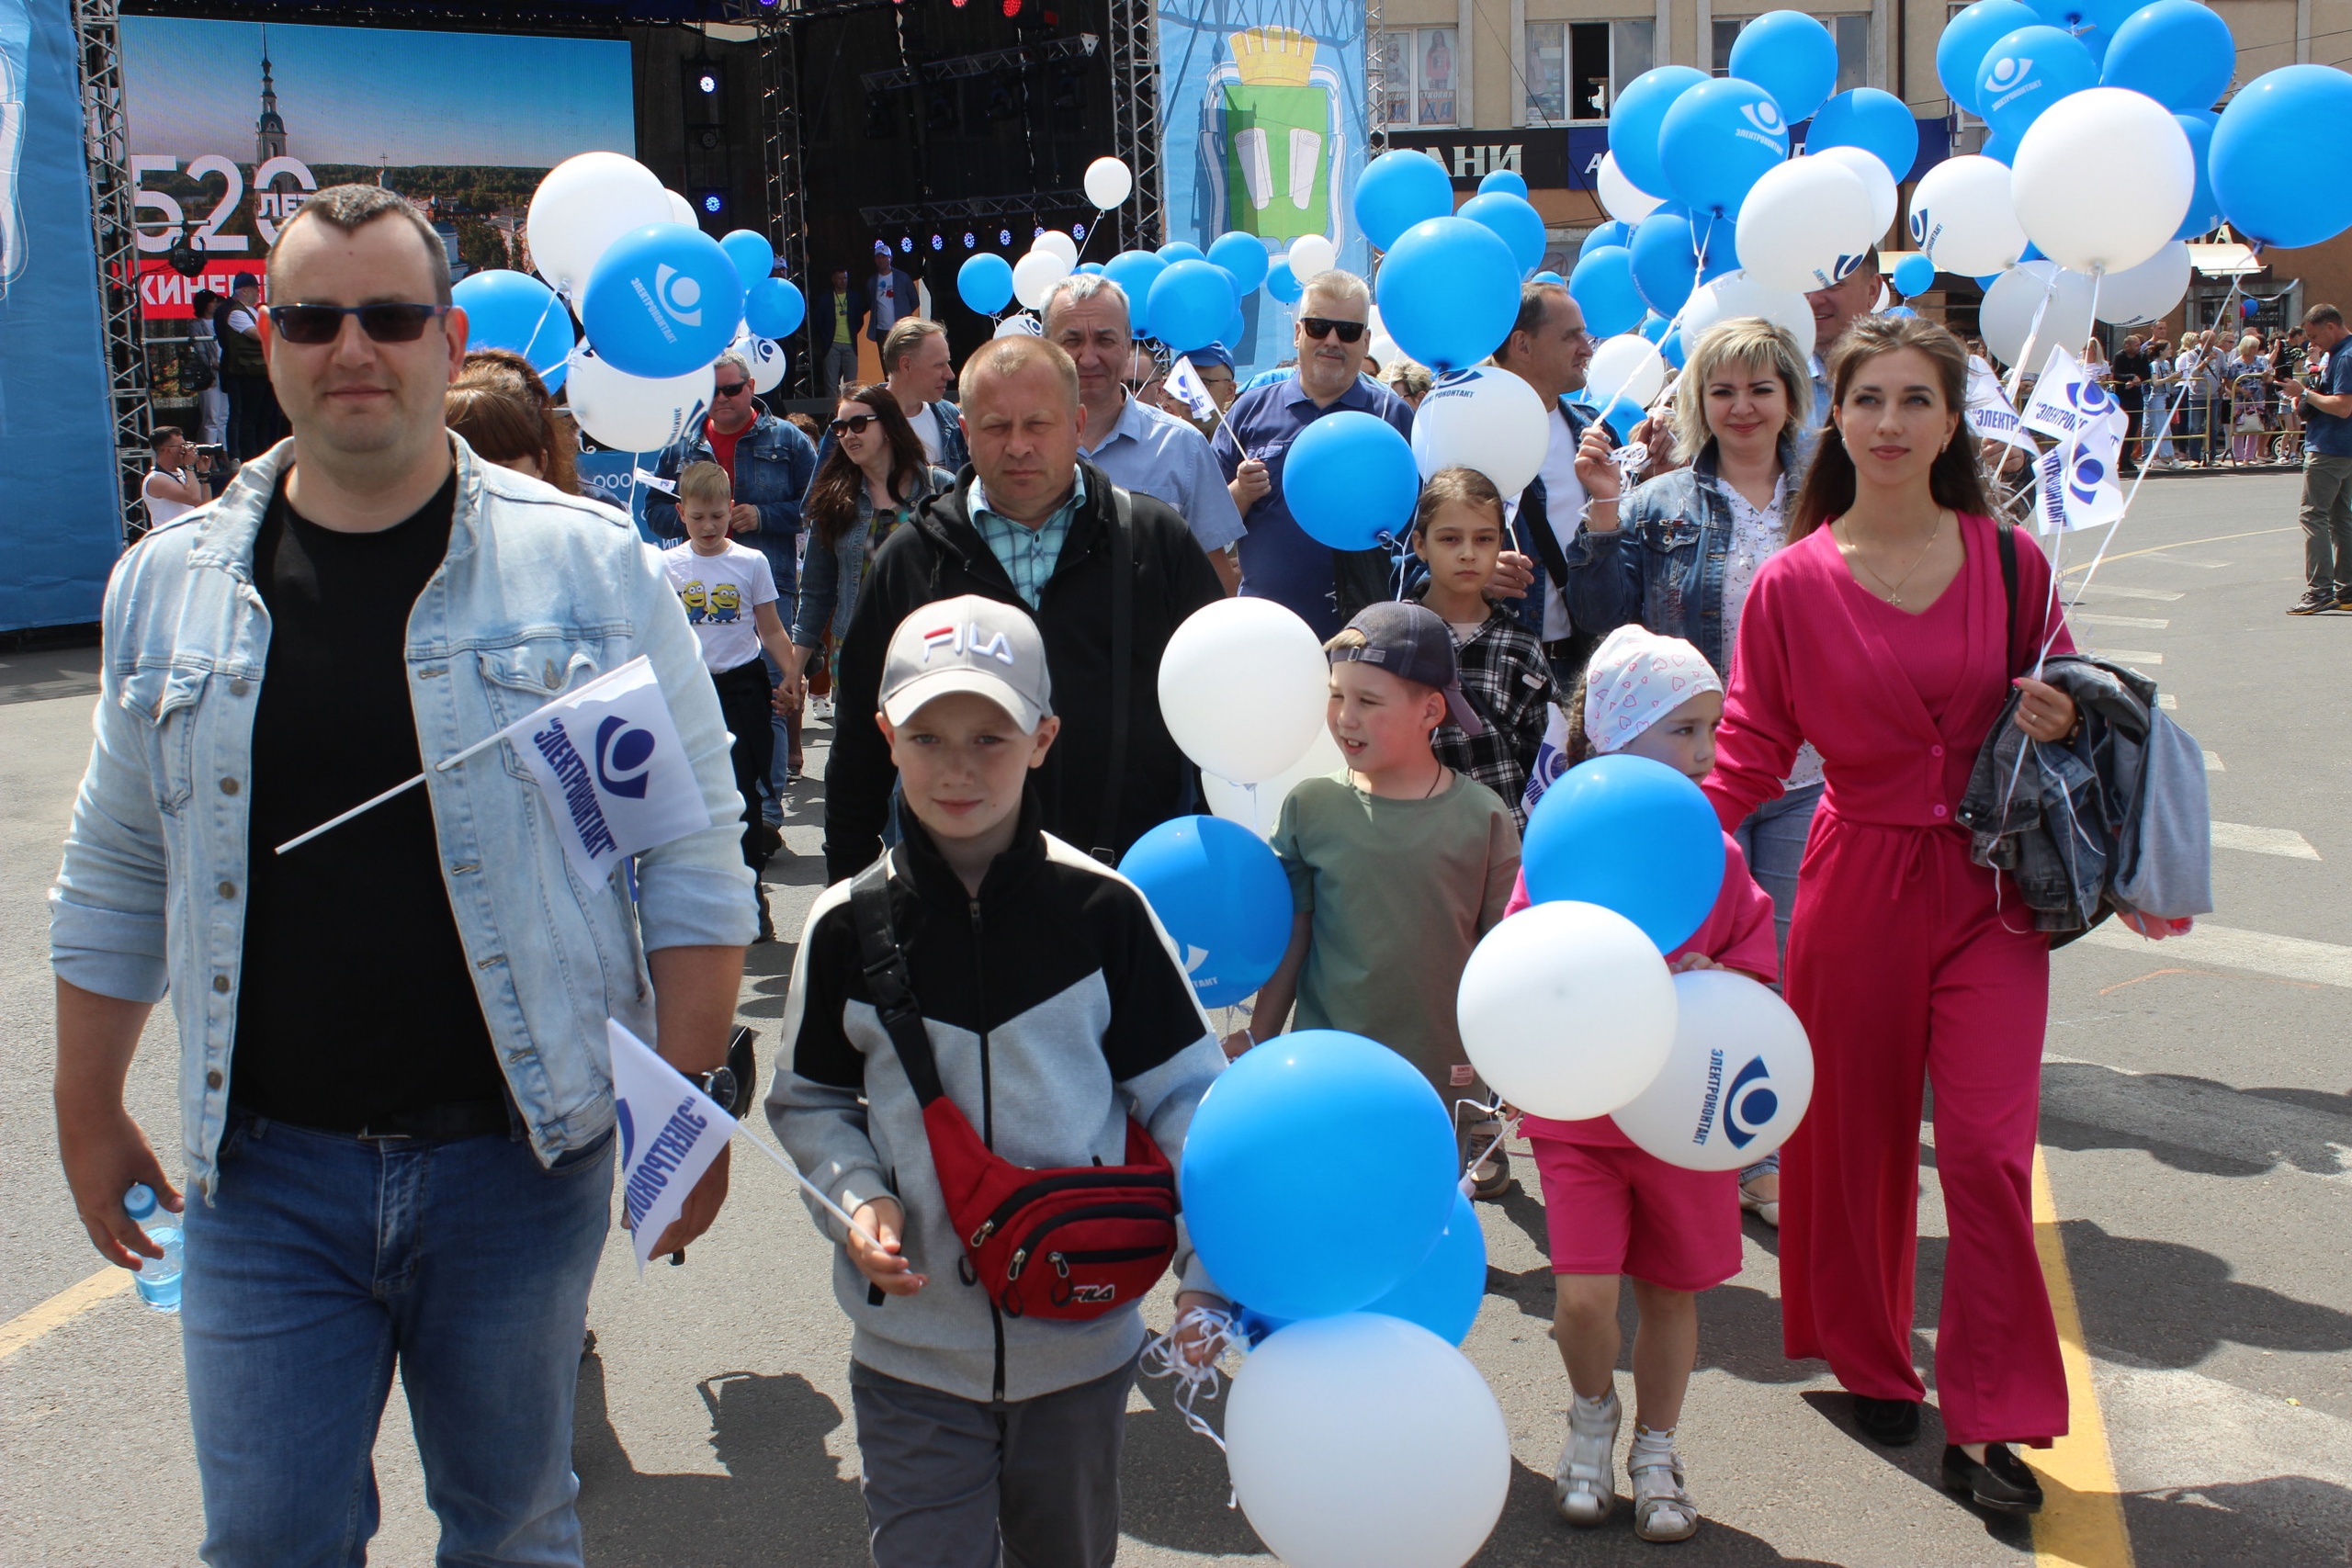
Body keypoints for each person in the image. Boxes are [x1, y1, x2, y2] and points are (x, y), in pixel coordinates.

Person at [50, 184, 750, 1566]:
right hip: (261, 1175)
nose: (351, 347)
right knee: (268, 1540)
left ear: (446, 336)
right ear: (269, 340)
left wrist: (682, 1111)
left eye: (388, 315)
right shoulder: (167, 586)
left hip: (515, 1161)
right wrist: (86, 1104)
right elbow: (118, 863)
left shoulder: (584, 573)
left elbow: (684, 849)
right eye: (315, 317)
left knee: (509, 1526)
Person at [1704, 314, 2106, 1515]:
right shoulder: (1790, 580)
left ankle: (1993, 1413)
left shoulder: (2010, 562)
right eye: (1867, 398)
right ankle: (1873, 1357)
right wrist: (1666, 861)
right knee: (1856, 1143)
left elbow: (2077, 687)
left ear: (1952, 422)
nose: (1888, 422)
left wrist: (2062, 711)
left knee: (1986, 1155)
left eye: (1914, 400)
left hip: (1992, 892)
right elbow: (1750, 746)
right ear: (1840, 416)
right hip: (1857, 879)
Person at [770, 594, 1227, 1568]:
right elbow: (809, 1103)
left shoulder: (1104, 913)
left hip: (1083, 1347)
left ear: (1044, 738)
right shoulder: (846, 927)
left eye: (991, 735)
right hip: (910, 1356)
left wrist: (1209, 1270)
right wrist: (858, 1202)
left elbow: (1190, 1100)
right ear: (886, 735)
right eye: (928, 735)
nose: (959, 766)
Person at [1506, 626, 1780, 1544]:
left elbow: (1760, 977)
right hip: (1578, 1111)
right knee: (1582, 1298)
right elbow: (1514, 965)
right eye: (1681, 730)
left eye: (1711, 729)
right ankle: (1591, 1418)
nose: (1705, 753)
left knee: (1670, 1292)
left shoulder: (1721, 858)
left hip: (1682, 1116)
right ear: (1613, 738)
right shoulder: (1564, 845)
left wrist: (1710, 976)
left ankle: (1657, 1450)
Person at [1563, 315, 1817, 1225]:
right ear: (1698, 402)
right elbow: (1597, 620)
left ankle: (1756, 1150)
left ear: (1789, 395)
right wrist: (1600, 505)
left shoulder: (1831, 500)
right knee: (1672, 951)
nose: (1741, 406)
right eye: (1722, 389)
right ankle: (1662, 1124)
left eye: (1759, 387)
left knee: (1770, 964)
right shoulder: (1657, 502)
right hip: (1687, 774)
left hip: (1806, 772)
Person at [822, 335, 1224, 879]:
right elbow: (859, 744)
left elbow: (1213, 715)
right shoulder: (910, 559)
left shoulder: (1155, 542)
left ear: (1078, 425)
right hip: (954, 902)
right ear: (965, 433)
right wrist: (849, 889)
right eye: (995, 426)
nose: (1017, 446)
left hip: (1133, 884)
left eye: (1038, 424)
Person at [1228, 601, 1522, 1198]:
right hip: (1328, 1059)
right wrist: (1260, 1034)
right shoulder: (1311, 807)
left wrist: (1516, 1064)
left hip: (1442, 1073)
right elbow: (1296, 935)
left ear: (1430, 710)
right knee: (1329, 1197)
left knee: (1420, 1208)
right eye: (1337, 695)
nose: (1344, 717)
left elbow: (1506, 953)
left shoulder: (1482, 817)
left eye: (1369, 700)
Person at [647, 347, 818, 789]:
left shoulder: (787, 439)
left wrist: (762, 516)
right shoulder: (682, 443)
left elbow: (816, 504)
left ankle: (767, 810)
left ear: (752, 388)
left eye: (732, 389)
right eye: (713, 390)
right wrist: (695, 522)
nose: (722, 398)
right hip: (696, 585)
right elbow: (655, 509)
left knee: (771, 694)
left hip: (767, 576)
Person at [1213, 269, 1415, 637]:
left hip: (1366, 635)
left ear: (1366, 341)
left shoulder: (1391, 416)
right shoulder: (1249, 411)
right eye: (1319, 327)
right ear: (1297, 334)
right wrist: (1241, 493)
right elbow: (1207, 525)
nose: (1332, 341)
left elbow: (1420, 527)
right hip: (1268, 632)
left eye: (1348, 331)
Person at [1045, 273, 1247, 592]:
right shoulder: (1021, 448)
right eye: (1072, 341)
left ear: (1127, 346)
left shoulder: (1183, 447)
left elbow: (1215, 581)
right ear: (1046, 348)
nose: (1089, 357)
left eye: (1104, 339)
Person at [663, 461, 797, 939]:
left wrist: (793, 676)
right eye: (698, 517)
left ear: (730, 511)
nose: (708, 527)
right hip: (690, 691)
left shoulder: (750, 562)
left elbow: (772, 628)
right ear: (681, 513)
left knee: (743, 796)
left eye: (717, 517)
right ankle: (702, 897)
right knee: (692, 801)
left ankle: (750, 892)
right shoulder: (666, 566)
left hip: (742, 688)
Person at [784, 386, 956, 710]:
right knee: (858, 758)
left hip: (929, 651)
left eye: (859, 424)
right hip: (855, 654)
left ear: (890, 425)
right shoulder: (833, 501)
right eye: (840, 428)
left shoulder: (940, 489)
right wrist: (795, 670)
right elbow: (816, 593)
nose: (848, 435)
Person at [1409, 466, 1555, 828]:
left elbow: (1550, 757)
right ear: (1419, 545)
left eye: (1484, 539)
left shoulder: (1521, 645)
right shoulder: (1394, 637)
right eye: (1450, 539)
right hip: (1417, 841)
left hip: (1508, 840)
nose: (1468, 553)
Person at [1490, 279, 1614, 688]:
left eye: (1585, 333)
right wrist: (1468, 573)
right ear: (1522, 345)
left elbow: (1626, 560)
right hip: (1497, 671)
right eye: (1571, 336)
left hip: (1585, 670)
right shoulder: (1464, 437)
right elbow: (1413, 562)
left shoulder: (1598, 434)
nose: (1587, 348)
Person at [2283, 303, 2352, 615]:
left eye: (2314, 336)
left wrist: (2305, 393)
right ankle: (2347, 588)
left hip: (2330, 446)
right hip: (2343, 447)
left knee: (2313, 516)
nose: (2313, 343)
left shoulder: (2345, 356)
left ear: (2330, 327)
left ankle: (2320, 589)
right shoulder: (2341, 353)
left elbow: (2342, 406)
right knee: (2340, 518)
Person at [444, 348, 580, 493]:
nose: (480, 485)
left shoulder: (587, 513)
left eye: (502, 470)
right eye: (461, 467)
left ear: (540, 463)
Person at [1800, 248, 1883, 428]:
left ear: (1872, 290)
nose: (1814, 300)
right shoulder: (1778, 379)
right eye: (1804, 283)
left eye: (1830, 283)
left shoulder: (1918, 373)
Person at [876, 317, 969, 469]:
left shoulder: (952, 417)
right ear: (906, 365)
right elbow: (828, 488)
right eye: (939, 365)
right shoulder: (856, 423)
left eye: (947, 363)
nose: (950, 375)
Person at [219, 273, 282, 463]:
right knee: (248, 418)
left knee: (265, 417)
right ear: (244, 290)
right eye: (256, 289)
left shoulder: (253, 311)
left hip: (262, 371)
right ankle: (247, 456)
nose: (259, 292)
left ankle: (265, 454)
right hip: (246, 374)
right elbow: (256, 334)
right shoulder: (236, 313)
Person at [140, 424, 211, 529]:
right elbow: (194, 498)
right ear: (167, 450)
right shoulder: (156, 479)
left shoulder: (181, 472)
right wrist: (189, 466)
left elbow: (203, 506)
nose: (186, 450)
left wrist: (203, 474)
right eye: (182, 446)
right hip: (169, 541)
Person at [811, 265, 867, 396]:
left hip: (850, 344)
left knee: (852, 384)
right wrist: (826, 337)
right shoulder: (825, 299)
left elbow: (859, 320)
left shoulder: (854, 297)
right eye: (840, 278)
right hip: (832, 344)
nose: (843, 281)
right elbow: (819, 321)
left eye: (845, 278)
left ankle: (851, 412)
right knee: (831, 383)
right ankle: (833, 413)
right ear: (833, 280)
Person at [188, 288, 229, 446]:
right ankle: (209, 457)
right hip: (210, 375)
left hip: (225, 372)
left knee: (224, 416)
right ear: (205, 305)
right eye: (212, 302)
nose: (215, 305)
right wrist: (212, 364)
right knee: (211, 416)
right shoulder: (196, 324)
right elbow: (200, 350)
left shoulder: (222, 322)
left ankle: (226, 455)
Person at [2227, 333, 2271, 465]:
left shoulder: (2261, 361)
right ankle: (2239, 457)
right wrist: (2241, 390)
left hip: (2258, 397)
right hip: (2241, 398)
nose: (2254, 350)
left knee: (2255, 426)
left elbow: (2269, 379)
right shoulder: (2236, 364)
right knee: (2240, 427)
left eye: (2256, 347)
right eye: (2252, 347)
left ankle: (2250, 456)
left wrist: (2266, 376)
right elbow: (2229, 383)